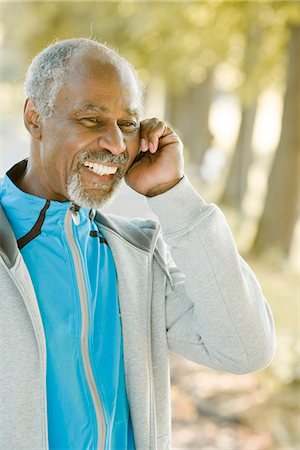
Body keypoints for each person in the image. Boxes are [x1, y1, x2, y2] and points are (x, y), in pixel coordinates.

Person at [0, 38, 275, 450]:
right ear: (35, 116)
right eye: (92, 119)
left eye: (128, 124)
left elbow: (245, 348)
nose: (115, 143)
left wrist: (172, 194)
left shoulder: (135, 257)